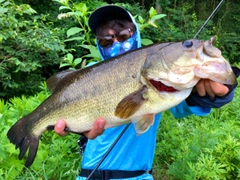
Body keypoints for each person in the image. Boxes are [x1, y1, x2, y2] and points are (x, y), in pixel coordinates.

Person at [54, 5, 239, 180]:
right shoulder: (89, 73)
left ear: (136, 33)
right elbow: (73, 110)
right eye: (105, 40)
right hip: (87, 174)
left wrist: (215, 93)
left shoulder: (160, 74)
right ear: (98, 44)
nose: (116, 43)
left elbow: (189, 102)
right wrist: (72, 127)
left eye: (124, 35)